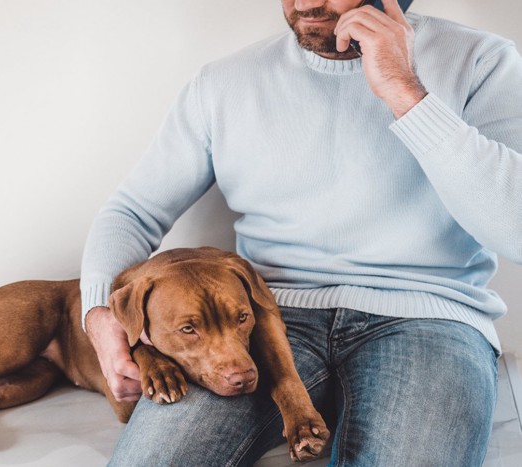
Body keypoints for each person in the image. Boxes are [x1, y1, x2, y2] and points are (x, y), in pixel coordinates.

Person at [79, 0, 522, 465]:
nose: (306, 3)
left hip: (430, 319)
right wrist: (99, 315)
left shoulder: (481, 61)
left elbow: (515, 231)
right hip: (264, 320)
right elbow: (132, 210)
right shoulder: (224, 82)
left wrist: (402, 89)